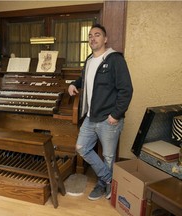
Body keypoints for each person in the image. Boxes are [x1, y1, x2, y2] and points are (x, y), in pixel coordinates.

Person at [68, 24, 133, 200]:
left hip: (109, 119)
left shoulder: (115, 59)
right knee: (82, 147)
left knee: (108, 156)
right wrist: (75, 83)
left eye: (97, 35)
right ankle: (109, 179)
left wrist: (116, 114)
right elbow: (85, 78)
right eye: (90, 36)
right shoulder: (89, 59)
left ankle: (102, 184)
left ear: (105, 39)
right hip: (91, 117)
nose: (92, 38)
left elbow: (126, 90)